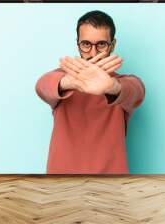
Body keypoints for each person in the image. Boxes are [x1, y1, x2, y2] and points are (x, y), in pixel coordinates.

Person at [35, 10, 145, 174]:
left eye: (101, 44)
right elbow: (42, 85)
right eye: (86, 44)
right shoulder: (62, 80)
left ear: (112, 45)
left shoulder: (124, 82)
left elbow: (136, 91)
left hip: (110, 181)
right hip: (62, 179)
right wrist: (69, 82)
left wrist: (111, 87)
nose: (93, 53)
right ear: (78, 44)